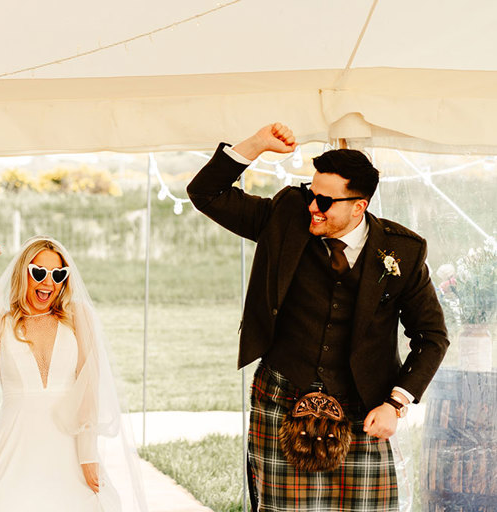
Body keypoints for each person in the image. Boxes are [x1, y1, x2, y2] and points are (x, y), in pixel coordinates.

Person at [187, 123, 449, 511]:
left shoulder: (402, 251)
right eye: (312, 193)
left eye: (325, 201)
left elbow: (431, 336)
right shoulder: (286, 216)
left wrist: (395, 404)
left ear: (359, 205)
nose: (313, 206)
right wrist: (257, 145)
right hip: (283, 395)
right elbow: (206, 193)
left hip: (363, 409)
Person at [0, 236, 143, 512]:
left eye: (58, 274)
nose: (49, 282)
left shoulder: (77, 317)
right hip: (13, 450)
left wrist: (87, 454)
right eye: (39, 272)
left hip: (68, 451)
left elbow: (89, 385)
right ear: (24, 273)